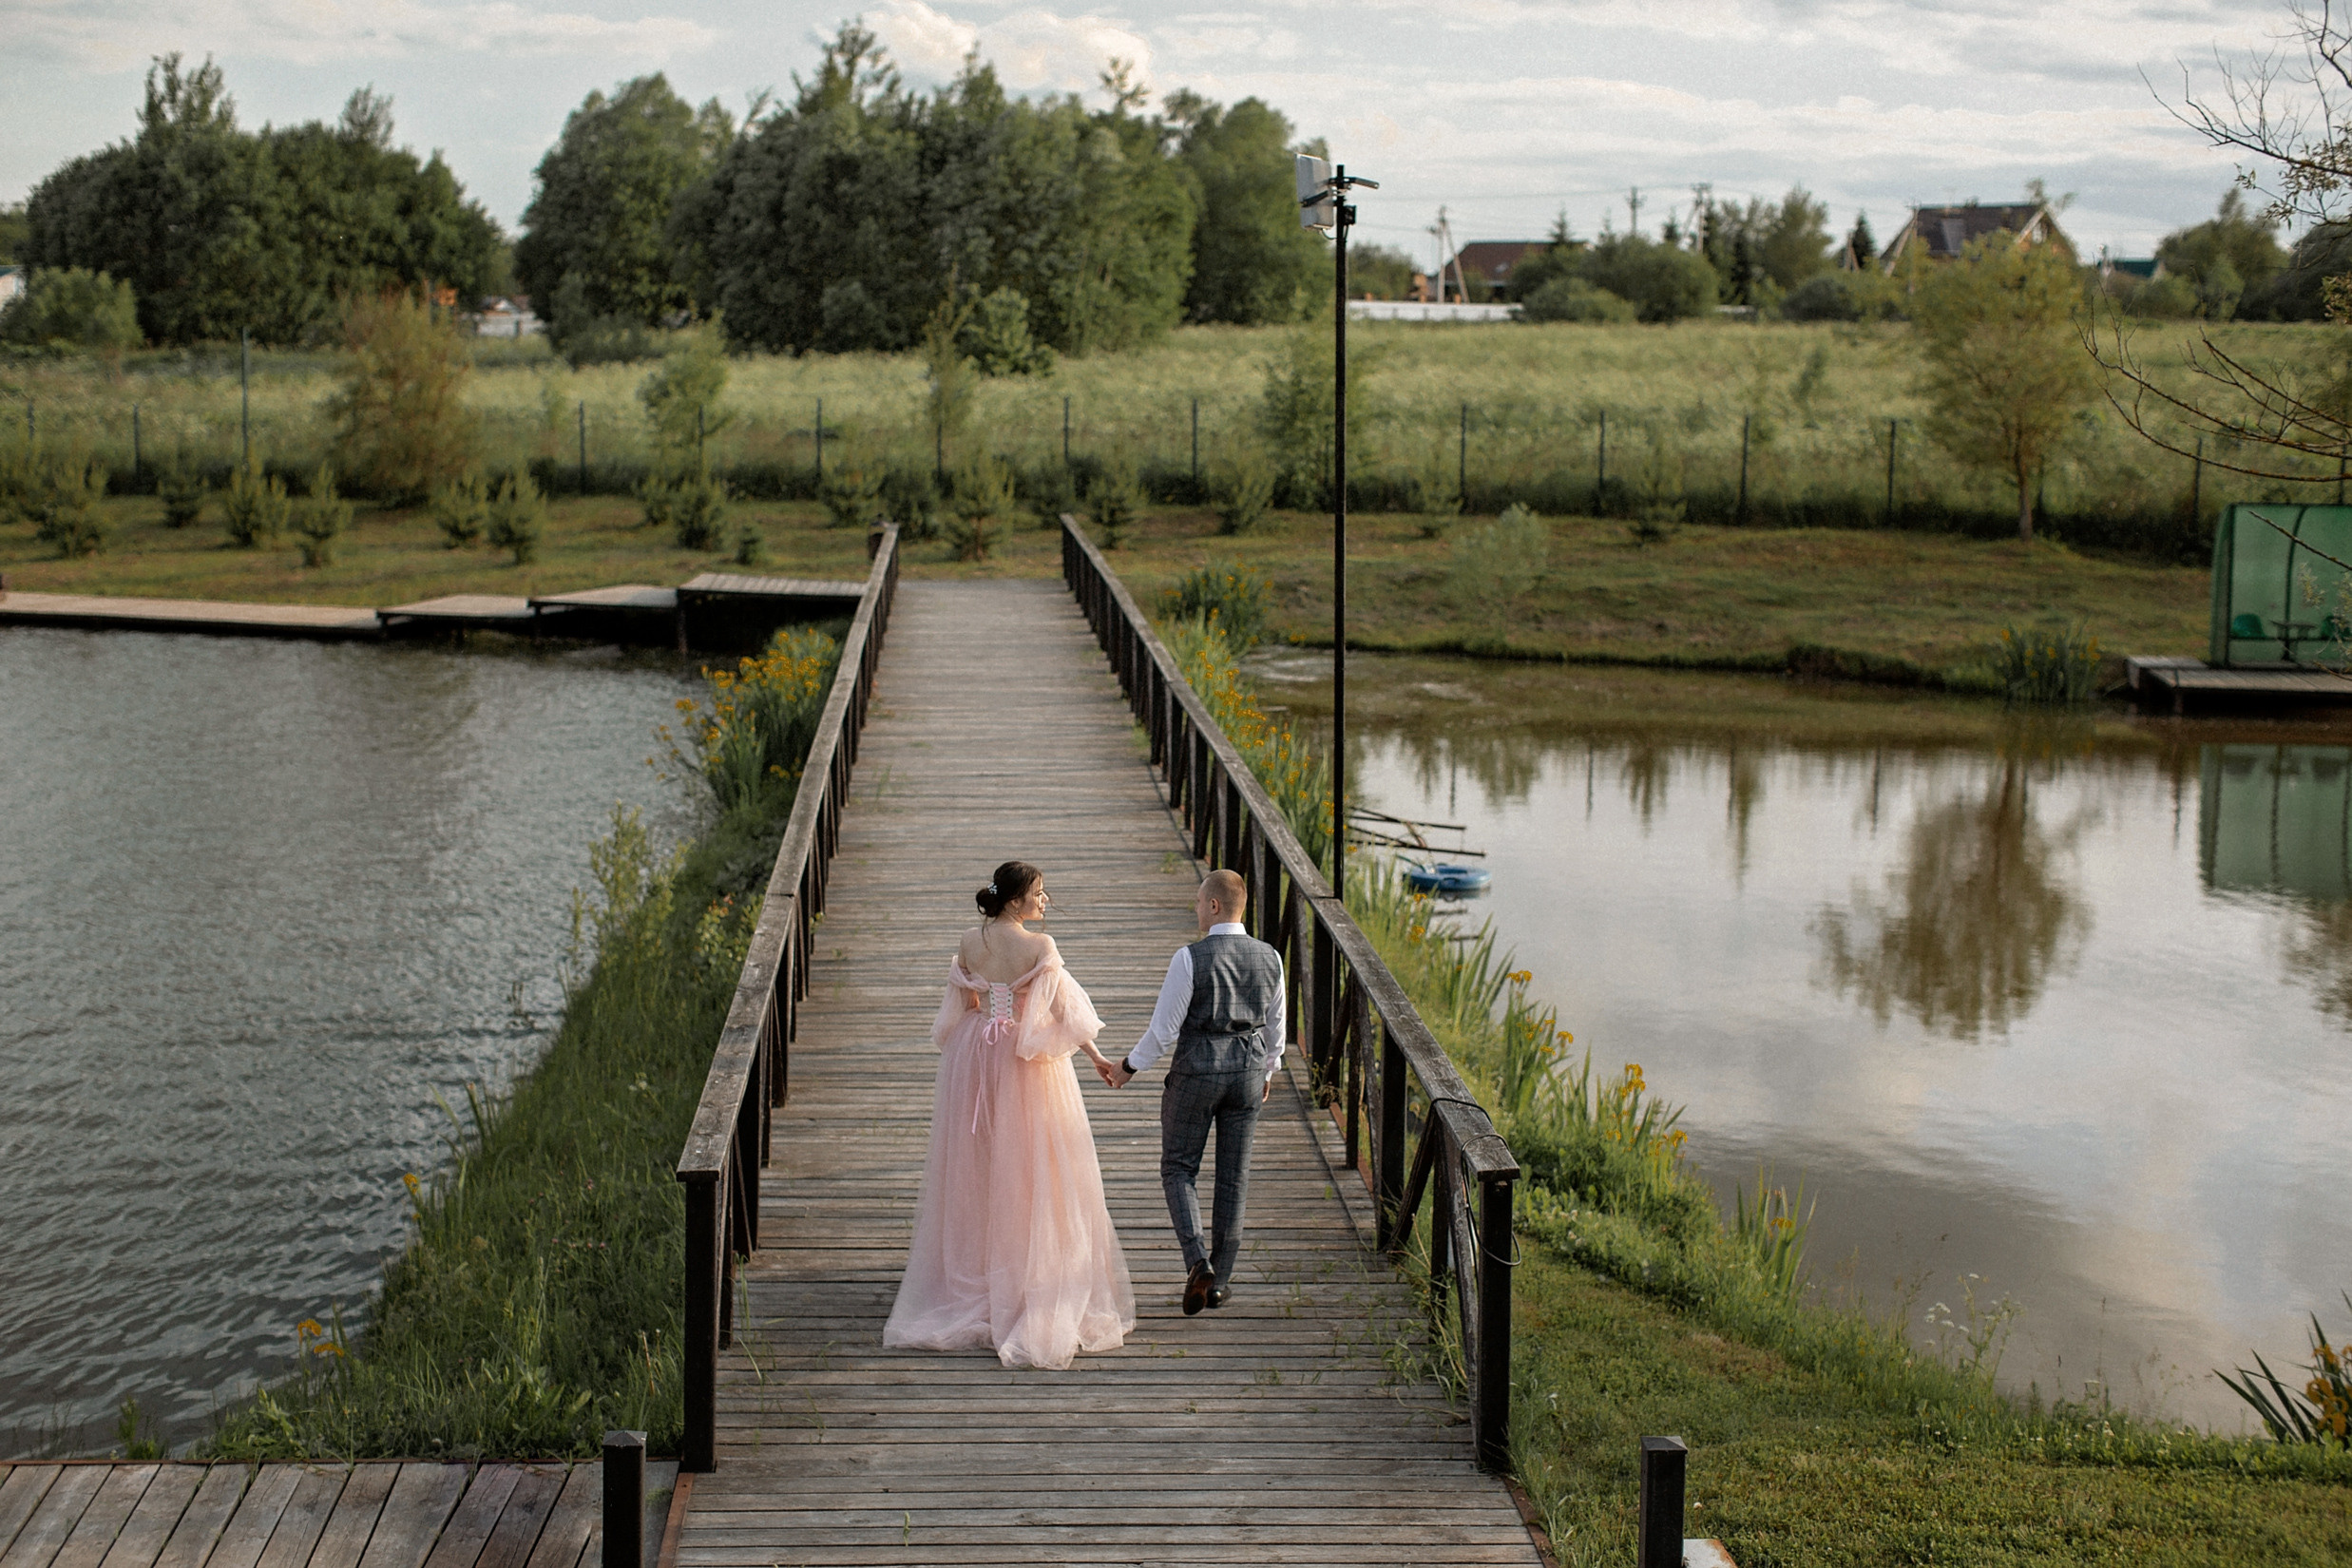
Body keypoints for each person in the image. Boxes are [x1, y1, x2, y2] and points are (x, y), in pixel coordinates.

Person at [883, 860, 1135, 1368]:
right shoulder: (1040, 948)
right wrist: (1099, 1059)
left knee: (979, 1163)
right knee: (1037, 1166)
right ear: (1016, 900)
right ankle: (1026, 1277)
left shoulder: (970, 939)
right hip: (1023, 1060)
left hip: (974, 1055)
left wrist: (996, 1011)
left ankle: (978, 1270)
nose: (1045, 901)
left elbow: (968, 1001)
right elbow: (1061, 1010)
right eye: (1040, 893)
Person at [1105, 869, 1286, 1316]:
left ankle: (1197, 1262)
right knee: (1234, 1178)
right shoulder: (1271, 957)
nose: (1194, 907)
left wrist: (1129, 1067)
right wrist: (1268, 1069)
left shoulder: (1190, 958)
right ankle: (1220, 1282)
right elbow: (1277, 1025)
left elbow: (1164, 1029)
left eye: (1198, 900)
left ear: (1214, 906)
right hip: (1247, 1069)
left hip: (1198, 1070)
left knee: (1179, 1167)